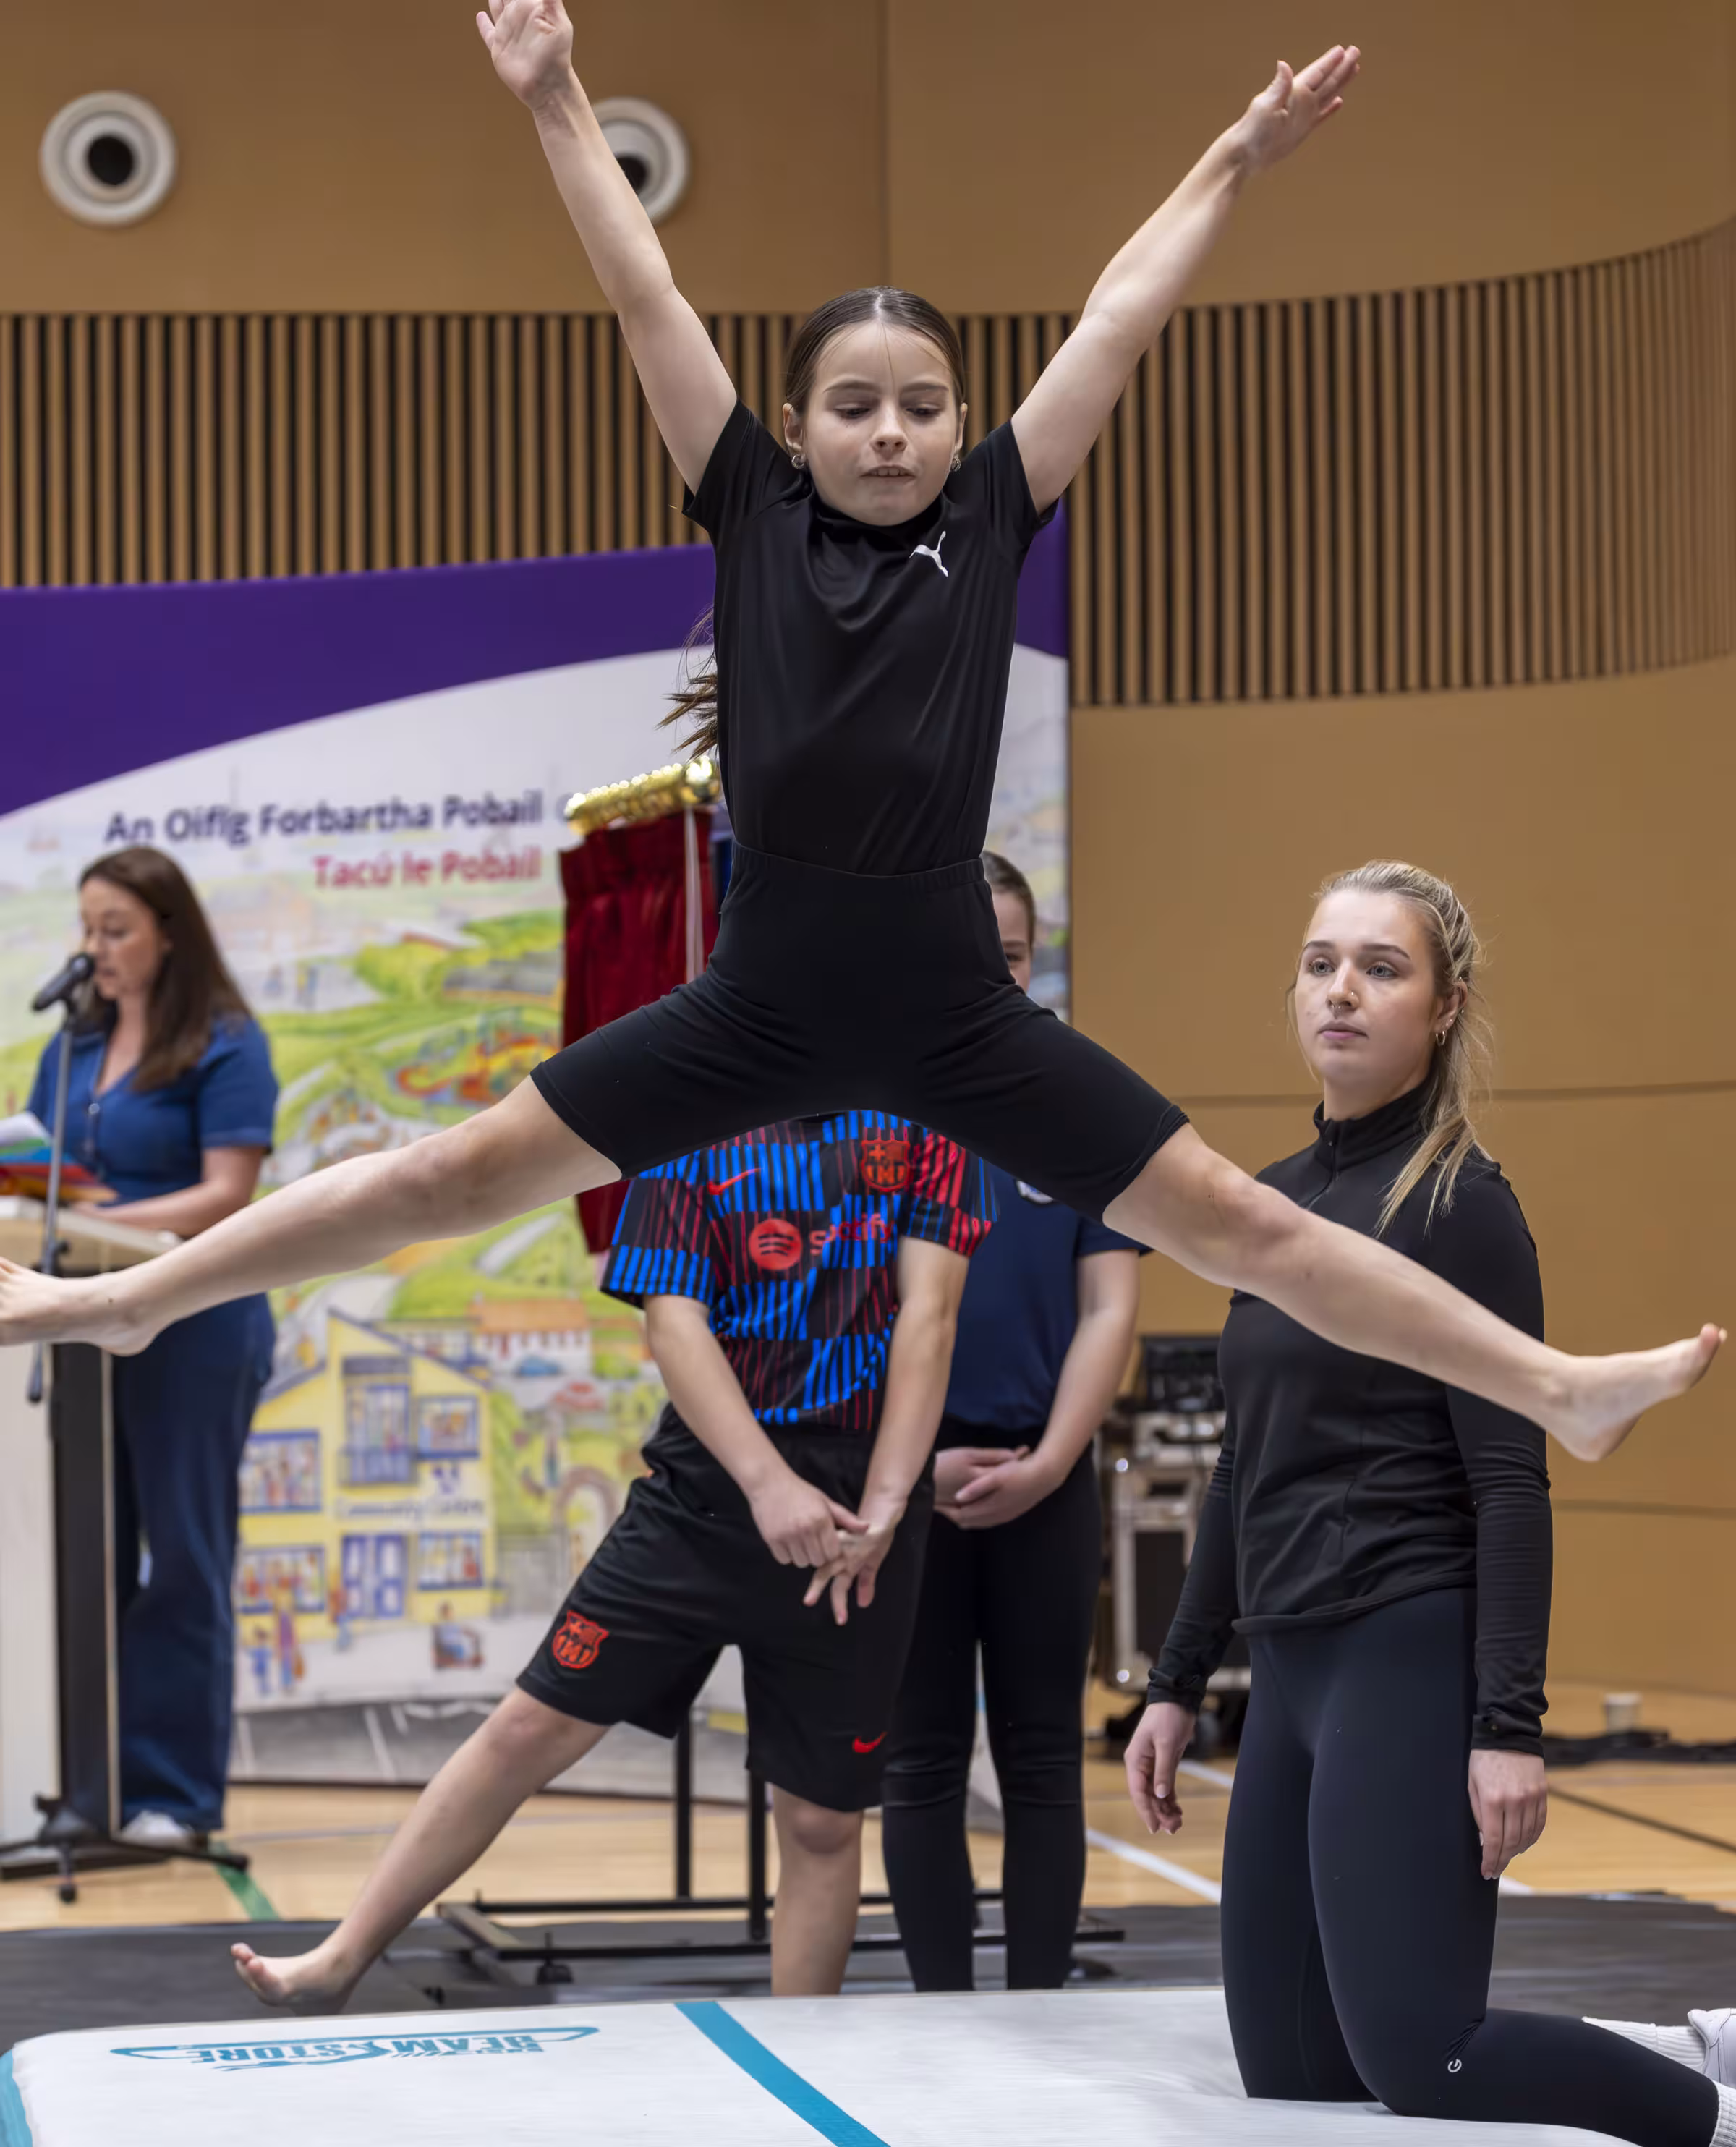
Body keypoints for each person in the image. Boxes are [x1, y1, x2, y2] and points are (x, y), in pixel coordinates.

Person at [0, 20, 1718, 1535]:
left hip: (946, 1004)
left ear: (956, 429)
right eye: (854, 406)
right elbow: (643, 290)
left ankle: (1549, 1388)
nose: (890, 433)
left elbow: (1118, 317)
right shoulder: (746, 506)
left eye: (919, 406)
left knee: (1228, 1223)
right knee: (455, 1173)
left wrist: (1234, 154)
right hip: (756, 1000)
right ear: (798, 425)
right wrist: (552, 96)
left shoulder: (990, 513)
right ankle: (131, 1304)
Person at [1125, 862, 1736, 2147]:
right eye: (1320, 961)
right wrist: (1175, 1681)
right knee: (1292, 2062)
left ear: (1445, 1006)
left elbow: (1513, 1478)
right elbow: (1244, 1466)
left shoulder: (1460, 1204)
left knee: (1426, 2056)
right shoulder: (1270, 1213)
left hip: (1405, 1641)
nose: (1340, 988)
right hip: (1288, 1663)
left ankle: (1719, 2116)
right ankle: (1698, 2048)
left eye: (1381, 967)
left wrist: (1506, 1727)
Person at [228, 1112, 992, 2007]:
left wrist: (893, 1501)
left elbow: (929, 1319)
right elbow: (674, 1325)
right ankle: (340, 1959)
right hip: (707, 1497)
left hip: (866, 1517)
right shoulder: (698, 1116)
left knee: (823, 1821)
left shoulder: (929, 1131)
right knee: (528, 1727)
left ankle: (802, 2065)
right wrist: (765, 1483)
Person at [882, 856, 1141, 1990]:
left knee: (1043, 1762)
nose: (992, 974)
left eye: (1014, 954)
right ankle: (942, 2010)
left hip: (1047, 1488)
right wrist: (909, 1470)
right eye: (967, 951)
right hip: (906, 1491)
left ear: (1036, 962)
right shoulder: (875, 1113)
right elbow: (855, 1313)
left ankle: (1042, 2006)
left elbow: (1111, 1308)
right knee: (922, 1763)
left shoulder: (1080, 1103)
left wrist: (1049, 1465)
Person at [27, 846, 277, 1848]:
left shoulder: (225, 1041)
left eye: (117, 929)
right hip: (85, 1317)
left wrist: (117, 1221)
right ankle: (86, 1787)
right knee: (85, 1557)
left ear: (170, 932)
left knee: (180, 1554)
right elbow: (47, 1177)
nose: (97, 951)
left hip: (194, 1326)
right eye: (88, 930)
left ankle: (172, 1794)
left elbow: (227, 1195)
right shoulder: (73, 1050)